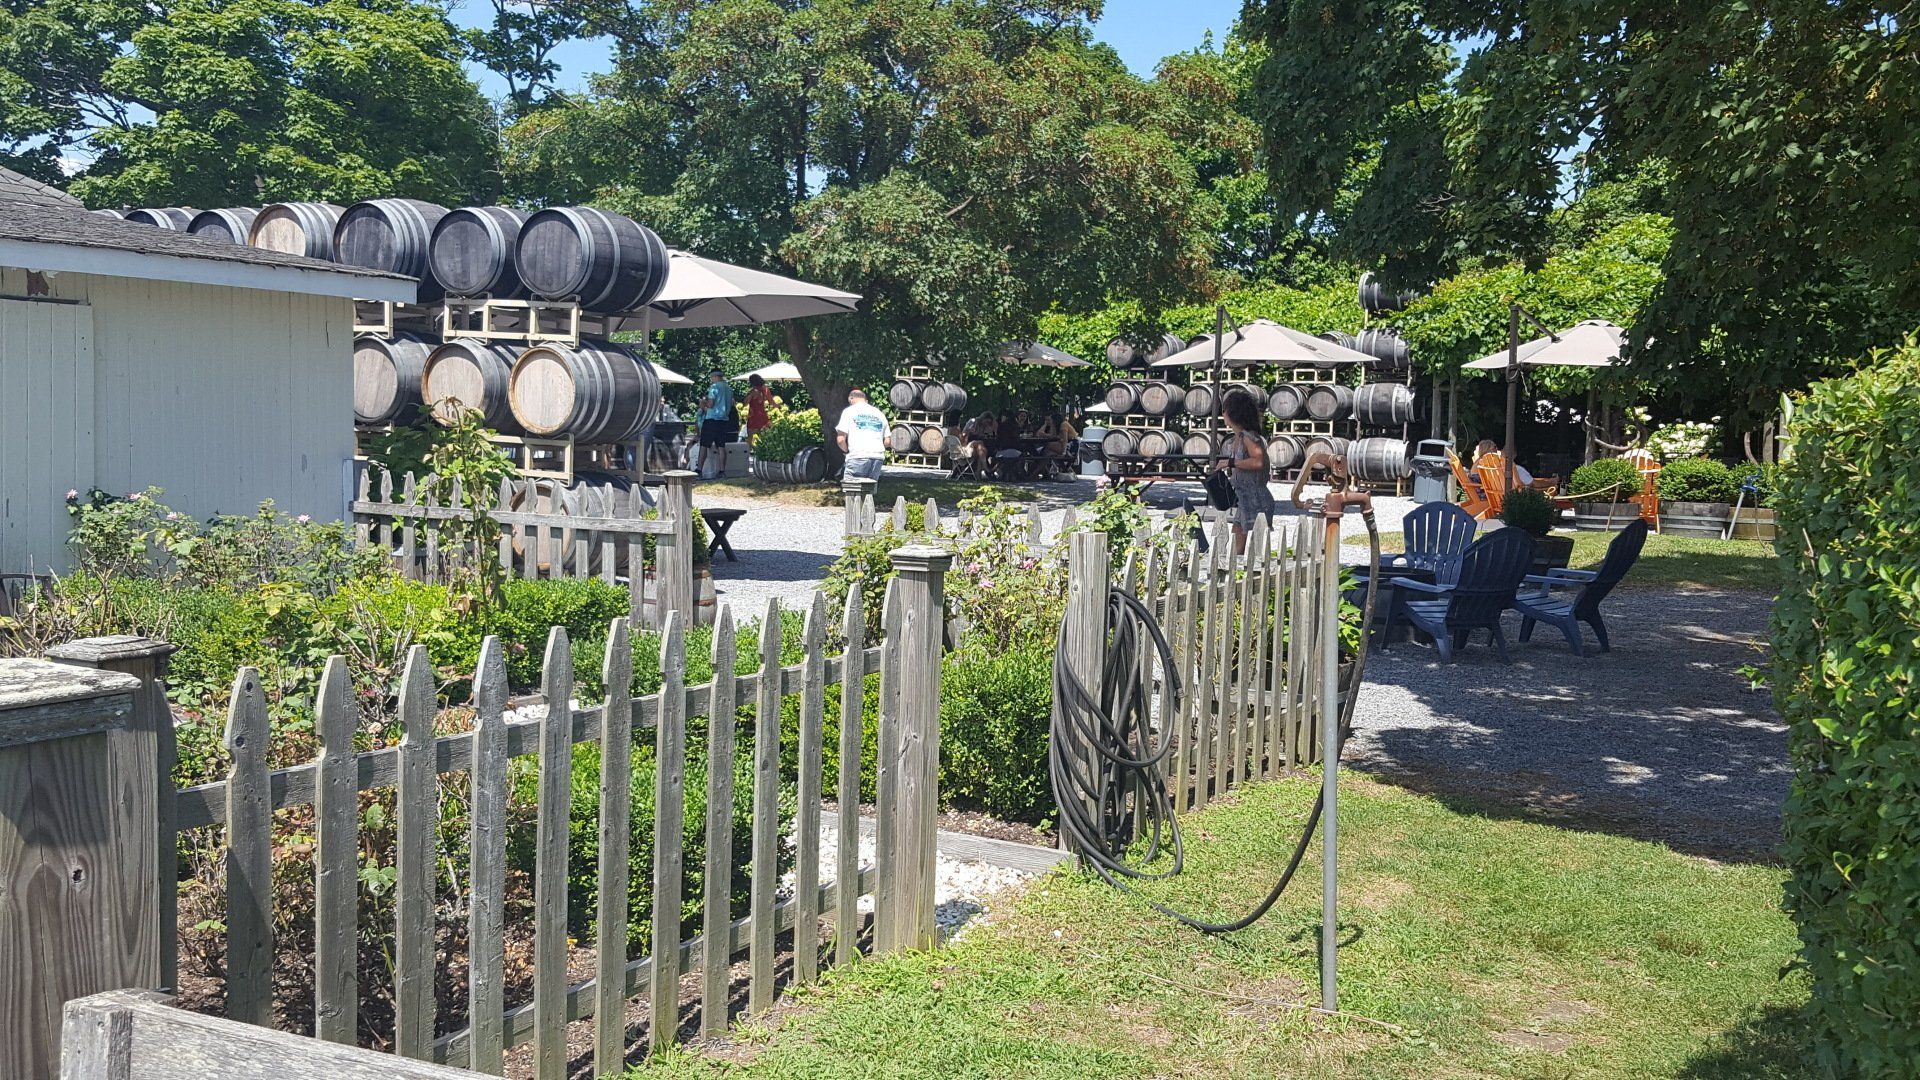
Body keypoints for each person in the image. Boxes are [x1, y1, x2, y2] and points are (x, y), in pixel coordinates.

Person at [1214, 390, 1275, 553]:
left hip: (1256, 499)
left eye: (1225, 410)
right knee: (1235, 547)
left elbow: (1258, 461)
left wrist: (1231, 463)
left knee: (1253, 550)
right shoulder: (1238, 438)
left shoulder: (1249, 437)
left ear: (1234, 413)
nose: (1223, 414)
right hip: (1244, 499)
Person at [836, 388, 889, 481]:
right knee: (868, 492)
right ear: (865, 400)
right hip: (877, 458)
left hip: (857, 456)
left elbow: (840, 439)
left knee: (852, 492)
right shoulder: (879, 413)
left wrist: (846, 451)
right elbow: (887, 441)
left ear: (851, 399)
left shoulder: (849, 411)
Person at [697, 370, 736, 477]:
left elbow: (710, 404)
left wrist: (703, 402)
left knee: (704, 445)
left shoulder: (714, 387)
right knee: (721, 446)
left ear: (715, 377)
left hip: (711, 419)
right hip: (723, 420)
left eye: (711, 378)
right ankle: (722, 471)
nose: (711, 380)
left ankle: (699, 469)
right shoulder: (729, 389)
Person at [743, 373, 773, 444]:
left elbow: (745, 403)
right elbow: (771, 402)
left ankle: (750, 452)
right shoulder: (765, 390)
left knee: (750, 438)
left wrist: (748, 394)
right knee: (764, 438)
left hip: (753, 416)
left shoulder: (753, 392)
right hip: (763, 416)